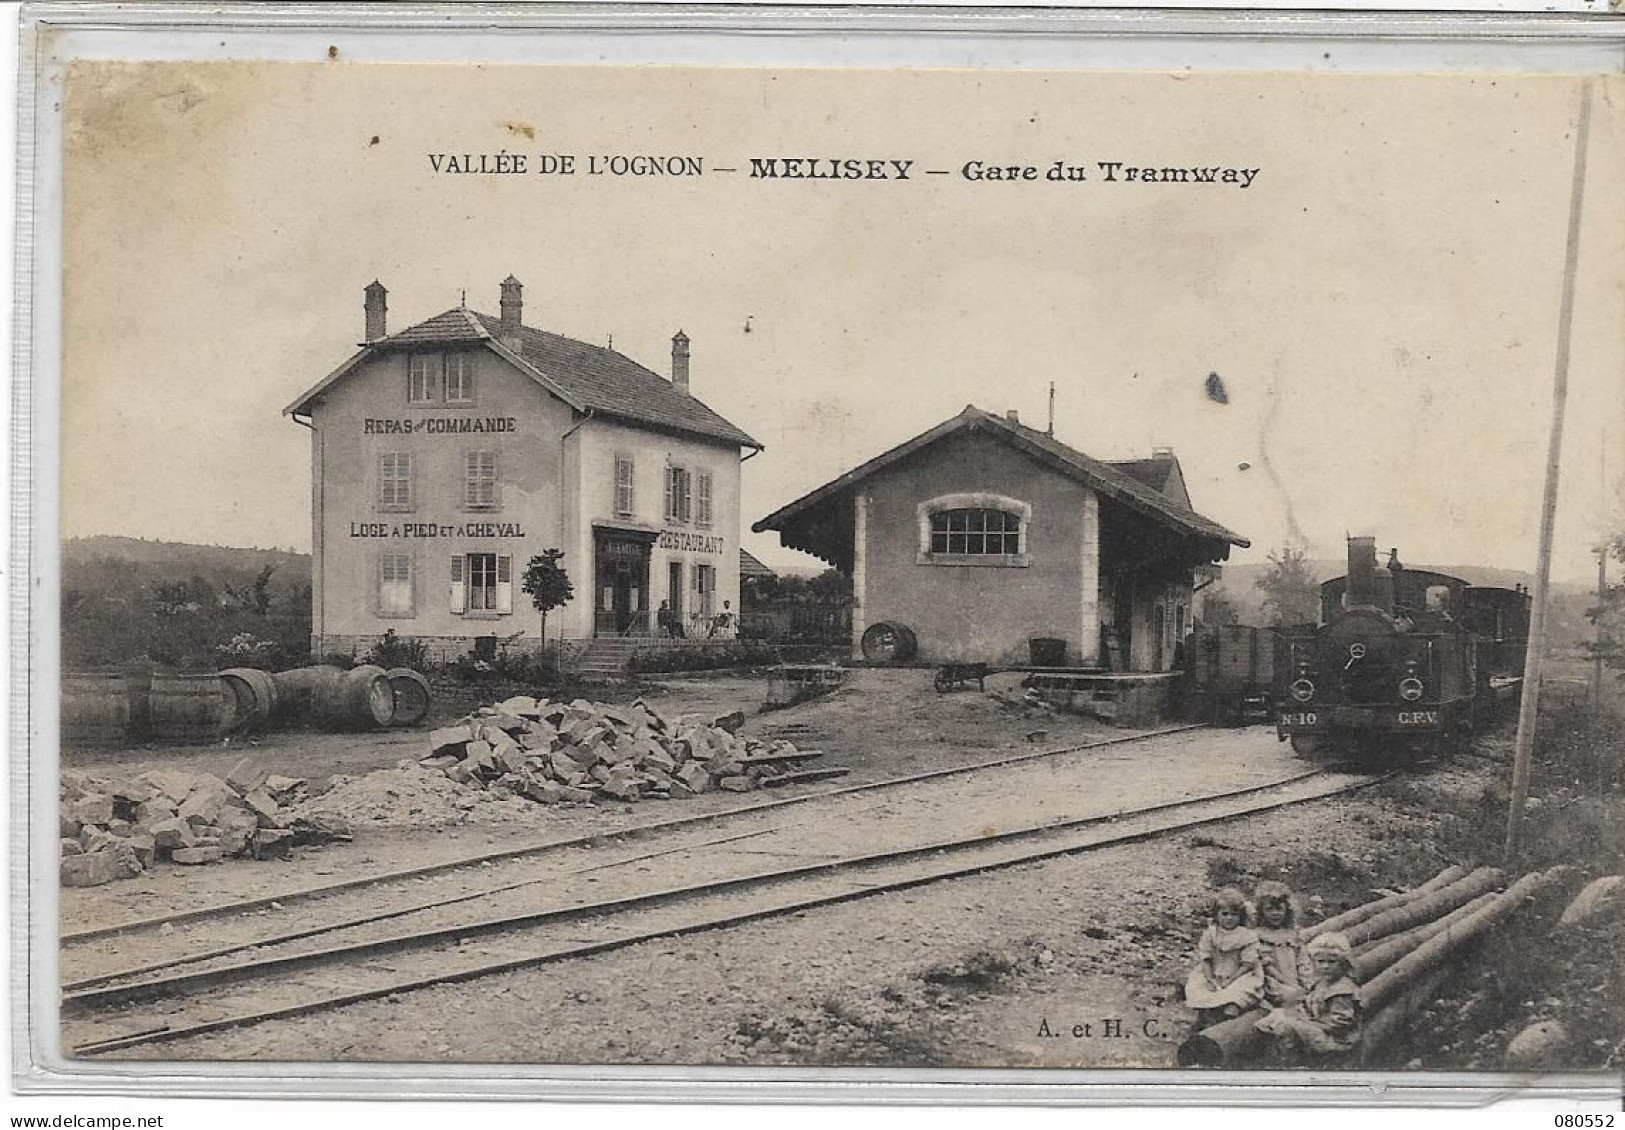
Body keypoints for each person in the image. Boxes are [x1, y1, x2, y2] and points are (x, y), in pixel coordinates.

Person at [1253, 931, 1363, 1062]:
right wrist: (1299, 1014)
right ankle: (1267, 1045)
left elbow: (1340, 1023)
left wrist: (1305, 1022)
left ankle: (1288, 1058)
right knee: (1279, 1013)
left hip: (1335, 1039)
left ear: (1343, 964)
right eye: (1321, 962)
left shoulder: (1341, 990)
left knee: (1287, 1025)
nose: (1325, 966)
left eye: (1332, 962)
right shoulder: (1321, 983)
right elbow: (1308, 1004)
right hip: (1317, 1026)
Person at [1184, 886, 1265, 1029]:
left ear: (1240, 916)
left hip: (1239, 973)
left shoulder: (1246, 935)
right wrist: (1210, 978)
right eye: (1225, 914)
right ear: (1217, 915)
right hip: (1215, 971)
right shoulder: (1211, 933)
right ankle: (1206, 1015)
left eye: (1234, 915)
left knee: (1239, 991)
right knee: (1200, 985)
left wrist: (1231, 979)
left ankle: (1228, 1017)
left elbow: (1248, 964)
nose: (1229, 918)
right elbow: (1206, 958)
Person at [1251, 881, 1313, 1007]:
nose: (1275, 913)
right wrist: (1289, 984)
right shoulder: (1259, 935)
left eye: (1279, 909)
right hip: (1273, 982)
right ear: (1261, 911)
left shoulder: (1292, 934)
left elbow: (1302, 961)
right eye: (1270, 909)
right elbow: (1267, 967)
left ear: (1287, 910)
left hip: (1293, 979)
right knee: (1292, 995)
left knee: (1312, 992)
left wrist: (1308, 982)